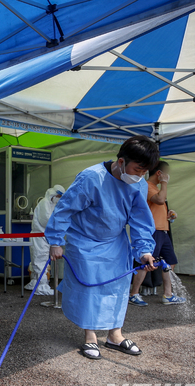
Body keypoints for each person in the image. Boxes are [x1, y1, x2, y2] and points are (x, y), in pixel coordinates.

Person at [45, 135, 158, 360]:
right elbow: (65, 209)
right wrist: (56, 241)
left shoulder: (139, 184)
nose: (139, 176)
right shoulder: (91, 178)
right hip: (84, 241)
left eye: (144, 172)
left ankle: (115, 335)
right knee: (90, 288)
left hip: (115, 243)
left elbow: (140, 220)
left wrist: (144, 250)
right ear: (122, 161)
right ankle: (90, 337)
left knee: (117, 287)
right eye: (137, 169)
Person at [129, 161, 186, 306]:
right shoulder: (147, 186)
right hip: (152, 231)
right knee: (146, 262)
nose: (168, 176)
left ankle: (168, 295)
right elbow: (159, 200)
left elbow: (157, 207)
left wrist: (169, 214)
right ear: (159, 173)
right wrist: (165, 183)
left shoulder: (155, 188)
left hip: (163, 231)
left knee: (170, 261)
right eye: (166, 173)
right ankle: (133, 294)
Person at [25, 185, 65, 295]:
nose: (58, 198)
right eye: (57, 195)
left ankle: (35, 282)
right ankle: (41, 286)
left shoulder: (52, 204)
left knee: (39, 259)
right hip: (39, 235)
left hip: (45, 236)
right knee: (40, 259)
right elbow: (46, 221)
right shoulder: (44, 202)